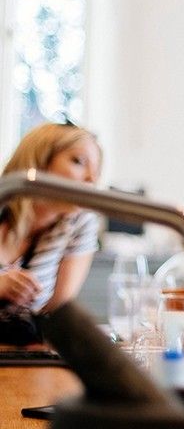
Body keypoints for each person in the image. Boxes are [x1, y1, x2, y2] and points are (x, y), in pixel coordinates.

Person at [0, 122, 102, 344]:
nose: (91, 180)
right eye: (79, 162)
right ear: (39, 160)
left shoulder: (80, 224)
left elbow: (57, 312)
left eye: (96, 170)